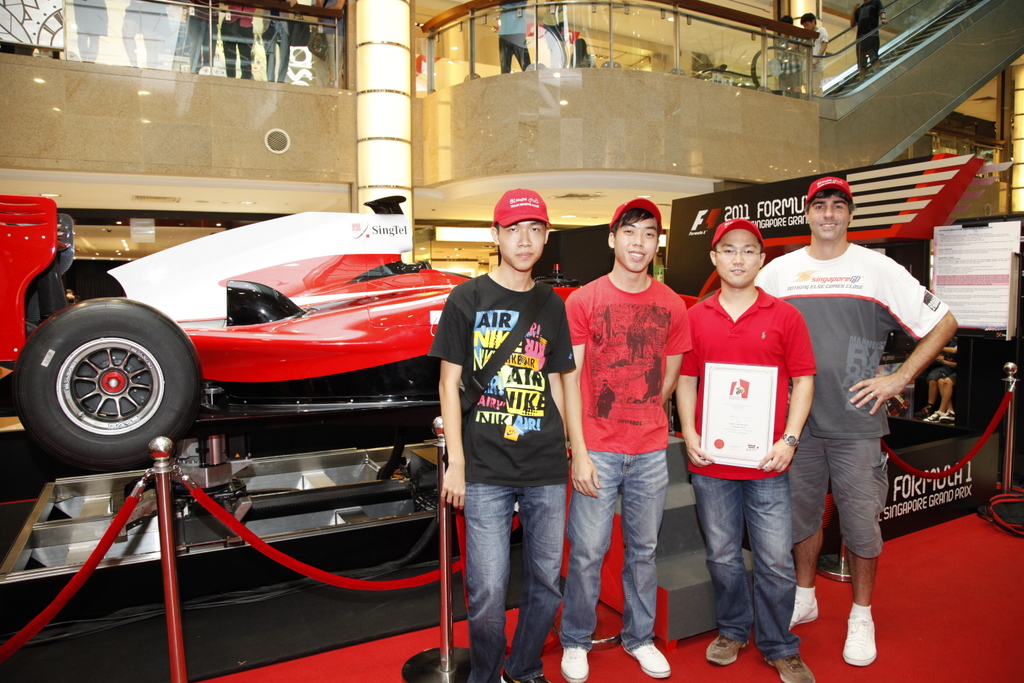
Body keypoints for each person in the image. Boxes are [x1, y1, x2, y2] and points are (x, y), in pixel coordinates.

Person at [756, 177, 958, 667]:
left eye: (838, 206)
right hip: (794, 428)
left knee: (862, 527)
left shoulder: (877, 269)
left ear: (850, 214)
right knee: (801, 520)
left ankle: (861, 615)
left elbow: (945, 322)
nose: (829, 214)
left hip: (858, 424)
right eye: (820, 205)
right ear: (808, 214)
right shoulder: (779, 273)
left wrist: (901, 377)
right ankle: (804, 597)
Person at [429, 189, 575, 683]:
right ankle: (486, 674)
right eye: (513, 229)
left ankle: (524, 665)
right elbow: (449, 384)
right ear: (495, 236)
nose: (524, 239)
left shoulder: (552, 304)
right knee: (488, 589)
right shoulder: (466, 298)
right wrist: (456, 463)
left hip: (545, 466)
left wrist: (573, 448)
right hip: (486, 467)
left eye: (534, 229)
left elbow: (557, 380)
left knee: (547, 581)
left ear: (546, 237)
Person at [677, 219, 816, 683]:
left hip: (768, 462)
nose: (738, 259)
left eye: (748, 251)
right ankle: (734, 629)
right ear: (714, 259)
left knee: (775, 559)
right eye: (729, 250)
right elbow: (687, 380)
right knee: (721, 554)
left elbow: (804, 381)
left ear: (762, 259)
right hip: (712, 461)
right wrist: (690, 435)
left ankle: (779, 644)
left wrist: (790, 439)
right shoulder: (695, 317)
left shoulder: (785, 316)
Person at [559, 199, 691, 683]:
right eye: (630, 232)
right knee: (587, 551)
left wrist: (643, 412)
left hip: (651, 451)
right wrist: (579, 448)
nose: (640, 243)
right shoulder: (584, 301)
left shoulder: (673, 304)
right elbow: (568, 379)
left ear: (658, 243)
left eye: (649, 234)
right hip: (598, 449)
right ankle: (576, 638)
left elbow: (671, 375)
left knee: (643, 550)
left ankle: (640, 637)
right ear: (612, 239)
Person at [851, 0, 886, 75]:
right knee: (861, 62)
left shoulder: (875, 2)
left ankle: (877, 75)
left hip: (872, 35)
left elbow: (881, 11)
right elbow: (852, 24)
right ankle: (862, 79)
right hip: (860, 38)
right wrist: (854, 9)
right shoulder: (859, 9)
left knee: (873, 58)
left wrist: (883, 19)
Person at [221, 5, 255, 79]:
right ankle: (230, 80)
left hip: (245, 27)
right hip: (230, 24)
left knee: (245, 57)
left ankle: (245, 81)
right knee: (230, 57)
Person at [498, 1, 531, 73]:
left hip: (517, 33)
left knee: (526, 67)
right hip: (505, 33)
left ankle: (530, 83)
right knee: (505, 68)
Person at [800, 13, 828, 95]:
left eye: (807, 24)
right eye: (804, 26)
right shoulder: (807, 35)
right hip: (806, 65)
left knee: (816, 89)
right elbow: (801, 50)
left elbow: (824, 45)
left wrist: (817, 59)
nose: (806, 27)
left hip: (816, 64)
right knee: (806, 89)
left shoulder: (821, 30)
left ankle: (818, 106)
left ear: (813, 21)